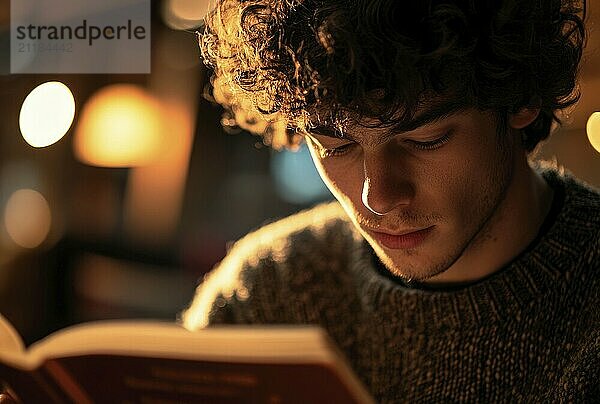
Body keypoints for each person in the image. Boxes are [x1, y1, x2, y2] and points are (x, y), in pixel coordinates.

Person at [182, 0, 599, 401]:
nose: (377, 198)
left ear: (521, 98)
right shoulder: (266, 293)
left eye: (425, 140)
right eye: (335, 146)